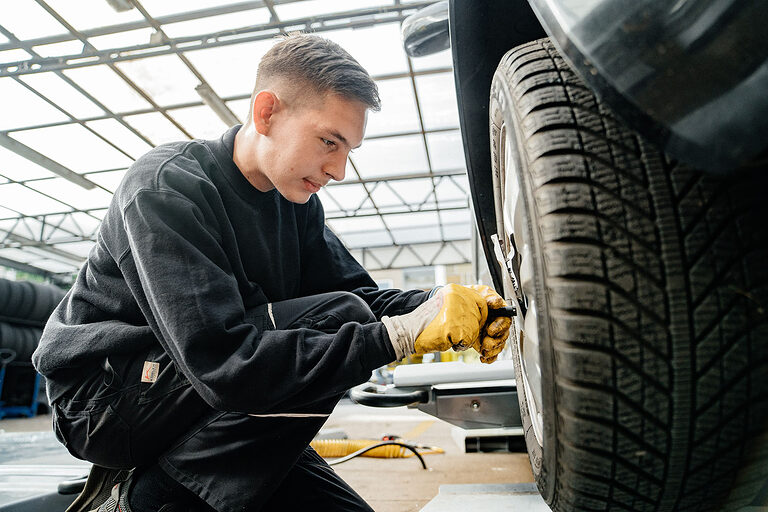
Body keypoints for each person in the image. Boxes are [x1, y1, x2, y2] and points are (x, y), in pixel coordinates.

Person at [32, 34, 511, 512]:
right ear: (267, 113)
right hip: (105, 403)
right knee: (333, 318)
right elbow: (223, 362)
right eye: (329, 141)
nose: (339, 170)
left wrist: (443, 304)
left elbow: (361, 297)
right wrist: (397, 338)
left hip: (203, 390)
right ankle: (132, 504)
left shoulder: (296, 203)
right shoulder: (166, 188)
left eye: (349, 151)